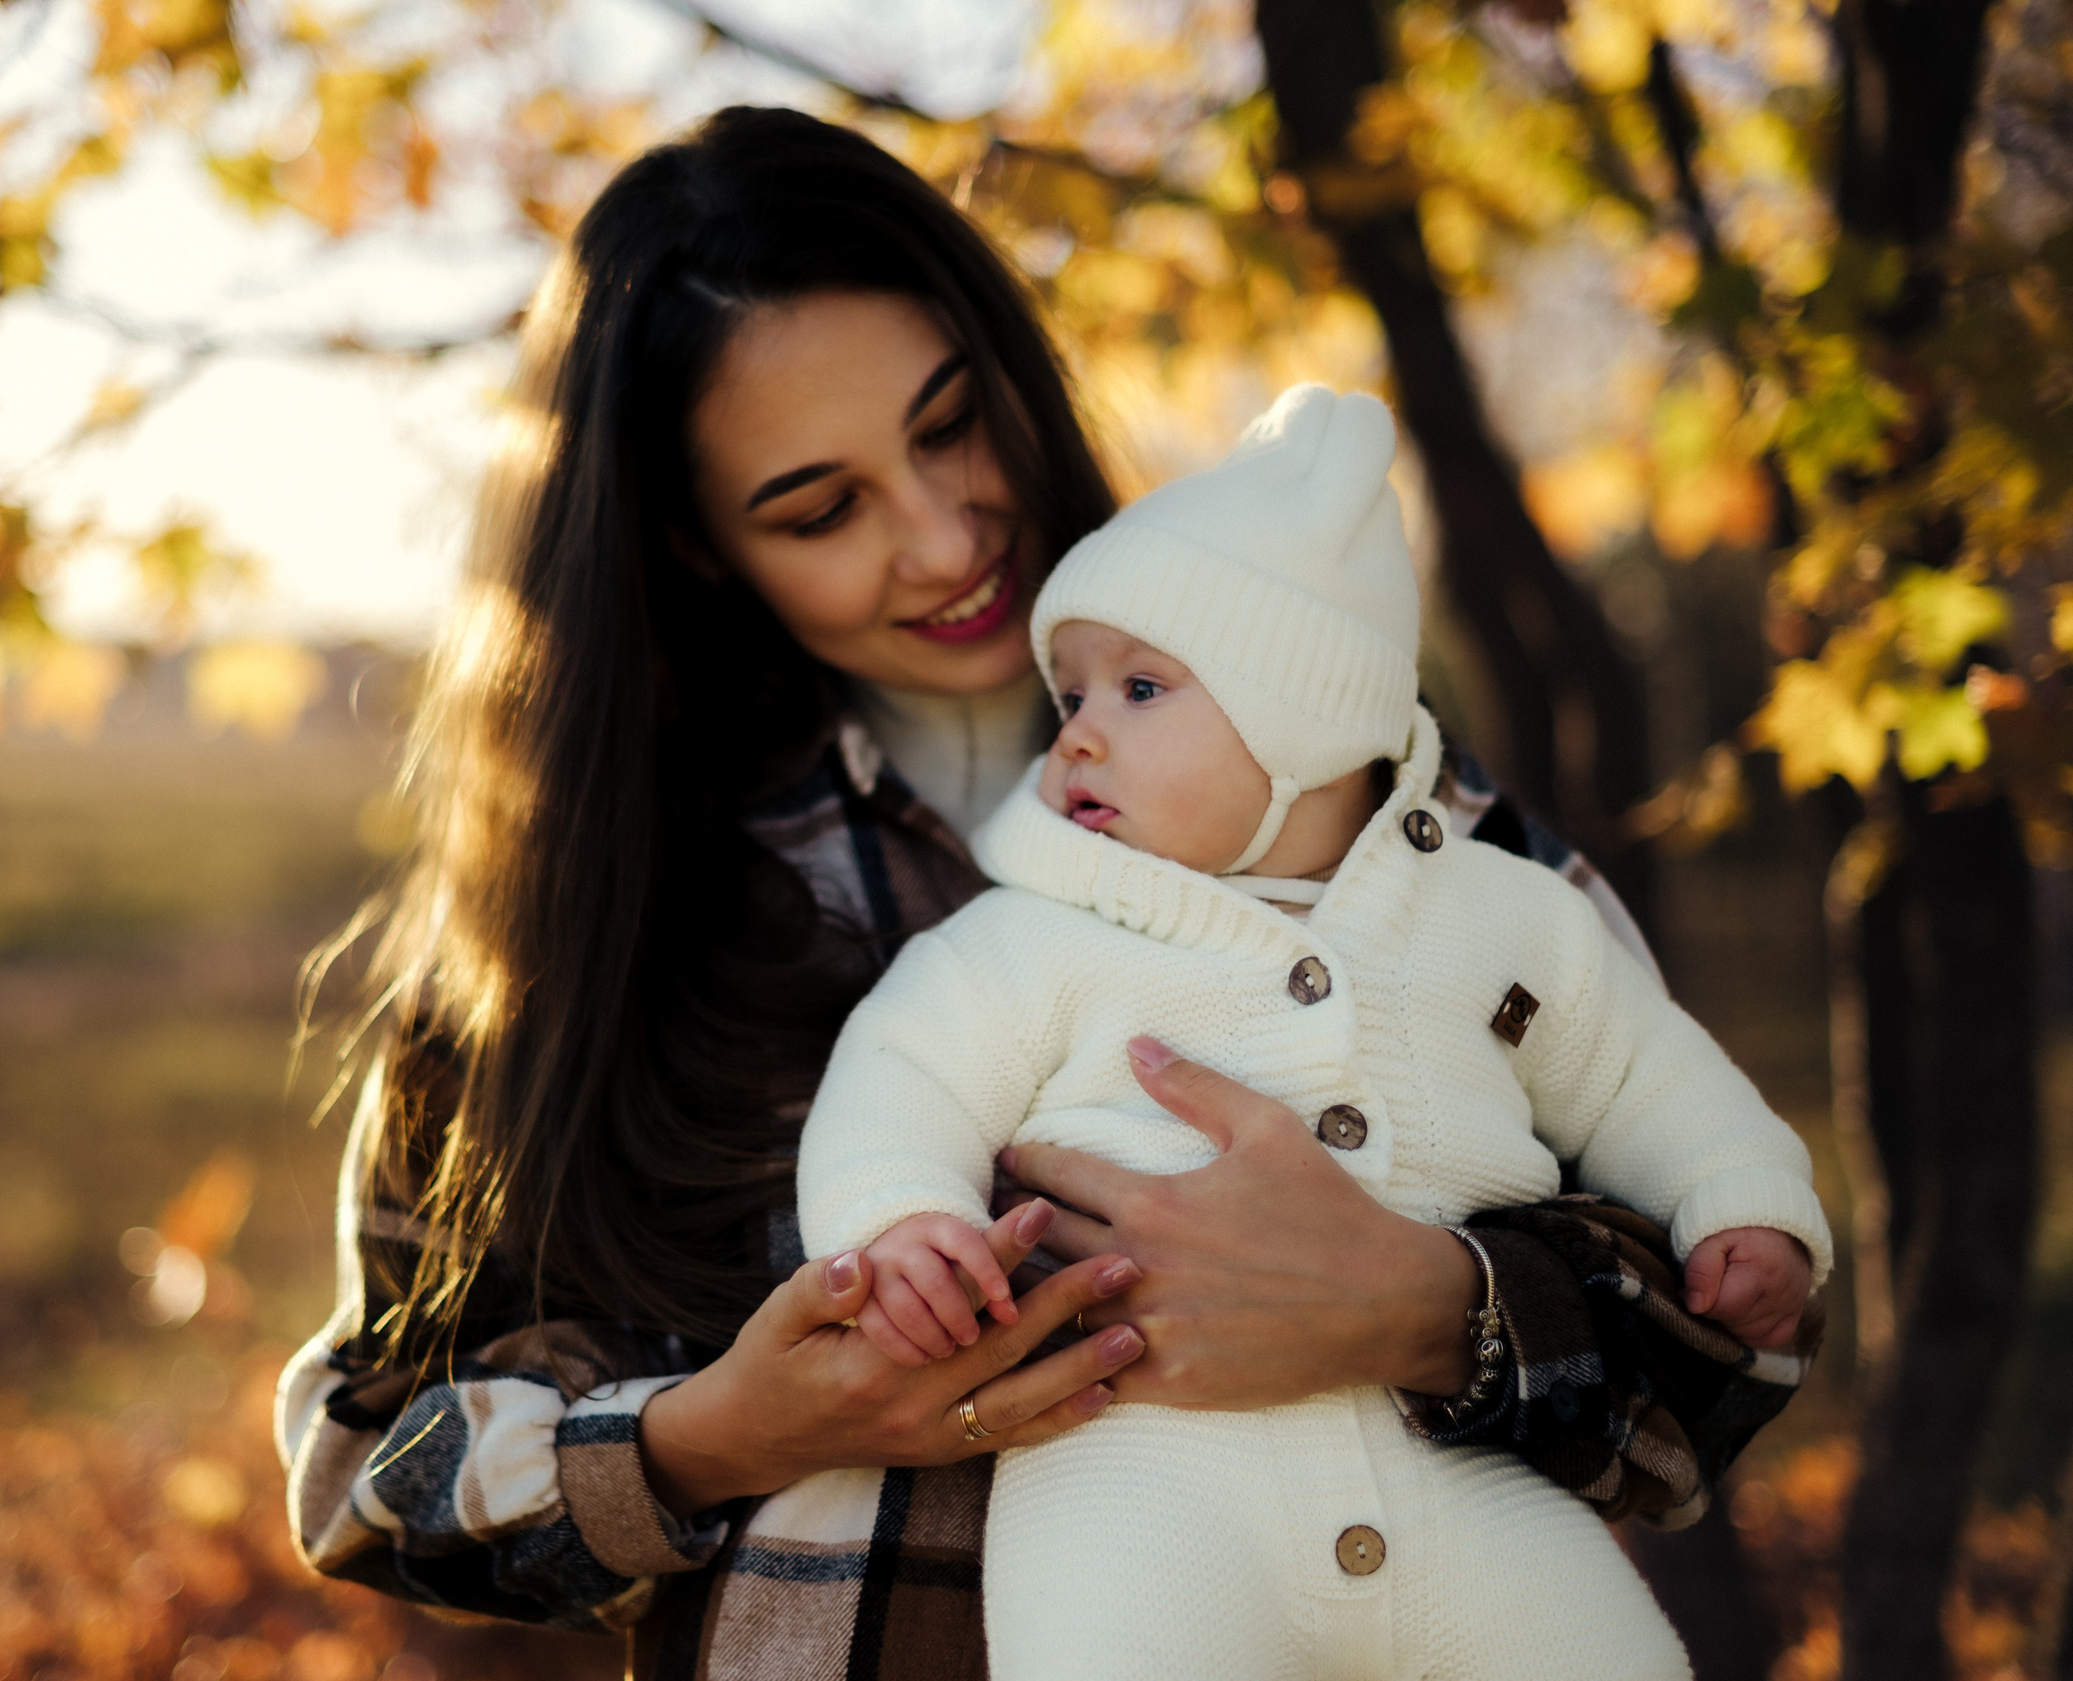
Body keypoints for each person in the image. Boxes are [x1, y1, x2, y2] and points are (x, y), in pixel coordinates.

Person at [276, 105, 1817, 1681]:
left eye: (952, 423)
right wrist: (716, 1433)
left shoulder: (1394, 830)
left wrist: (1430, 1307)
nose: (946, 536)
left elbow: (1739, 1327)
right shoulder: (584, 930)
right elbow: (361, 1467)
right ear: (694, 545)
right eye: (821, 508)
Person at [796, 383, 1831, 1681]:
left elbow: (1644, 1074)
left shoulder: (1506, 915)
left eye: (1140, 686)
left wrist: (1740, 1199)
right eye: (1071, 699)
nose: (1082, 736)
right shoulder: (1030, 936)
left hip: (1461, 1469)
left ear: (1310, 715)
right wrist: (900, 1223)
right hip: (1142, 1481)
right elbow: (898, 1078)